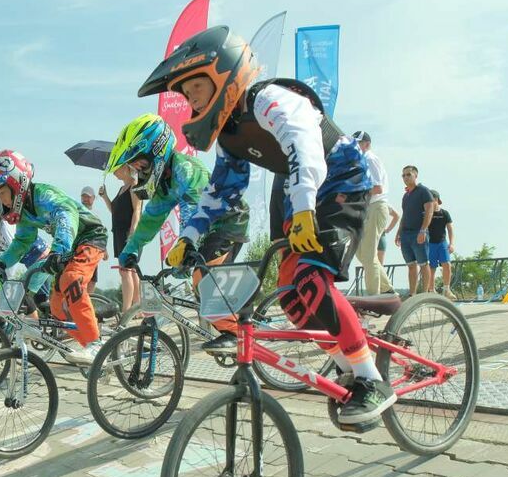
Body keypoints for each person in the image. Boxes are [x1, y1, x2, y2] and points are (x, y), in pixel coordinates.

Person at [139, 25, 394, 426]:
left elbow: (303, 146)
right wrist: (189, 237)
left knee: (312, 278)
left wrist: (306, 208)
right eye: (186, 97)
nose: (191, 102)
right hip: (298, 192)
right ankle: (350, 360)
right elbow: (221, 190)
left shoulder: (269, 99)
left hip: (339, 180)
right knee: (293, 298)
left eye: (195, 91)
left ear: (222, 74)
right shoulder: (229, 134)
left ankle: (372, 380)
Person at [0, 150, 108, 364]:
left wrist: (58, 249)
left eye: (1, 195)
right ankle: (95, 349)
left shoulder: (43, 195)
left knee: (71, 279)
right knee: (56, 308)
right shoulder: (24, 215)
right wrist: (1, 262)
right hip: (69, 247)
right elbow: (21, 243)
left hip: (90, 237)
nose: (1, 203)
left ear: (16, 184)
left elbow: (65, 213)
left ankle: (96, 346)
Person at [105, 113, 211, 313]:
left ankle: (240, 334)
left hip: (225, 223)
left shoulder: (185, 168)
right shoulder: (164, 183)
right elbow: (151, 219)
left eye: (140, 164)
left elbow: (193, 210)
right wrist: (132, 247)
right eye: (134, 166)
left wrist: (186, 245)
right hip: (202, 231)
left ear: (157, 151)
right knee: (200, 294)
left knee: (203, 285)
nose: (138, 170)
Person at [352, 131, 395, 294]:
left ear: (367, 144)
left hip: (376, 207)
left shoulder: (370, 159)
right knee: (361, 253)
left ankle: (373, 298)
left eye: (358, 143)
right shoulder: (361, 161)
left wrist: (354, 192)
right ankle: (388, 289)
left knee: (369, 256)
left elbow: (377, 188)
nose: (355, 146)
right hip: (367, 209)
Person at [99, 168, 143, 311]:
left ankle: (126, 310)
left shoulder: (134, 186)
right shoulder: (122, 188)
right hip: (118, 232)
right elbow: (115, 210)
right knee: (131, 270)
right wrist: (105, 196)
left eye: (116, 169)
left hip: (128, 233)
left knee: (125, 271)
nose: (113, 172)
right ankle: (136, 308)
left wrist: (132, 233)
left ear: (125, 168)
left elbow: (137, 210)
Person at [397, 166, 434, 295]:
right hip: (405, 234)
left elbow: (430, 211)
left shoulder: (424, 191)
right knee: (411, 265)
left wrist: (423, 230)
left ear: (415, 175)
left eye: (408, 175)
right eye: (403, 175)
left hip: (418, 232)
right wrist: (398, 233)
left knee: (423, 263)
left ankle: (424, 294)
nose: (406, 178)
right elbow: (404, 215)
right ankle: (412, 294)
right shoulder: (406, 196)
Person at [427, 190, 455, 298]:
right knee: (431, 267)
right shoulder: (426, 213)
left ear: (437, 199)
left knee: (447, 264)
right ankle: (431, 290)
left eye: (432, 199)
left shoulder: (445, 213)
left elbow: (450, 229)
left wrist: (452, 243)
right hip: (430, 244)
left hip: (442, 242)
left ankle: (447, 289)